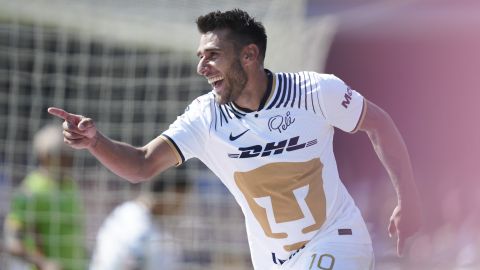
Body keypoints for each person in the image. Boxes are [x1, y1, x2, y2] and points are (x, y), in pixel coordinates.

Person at [47, 9, 422, 270]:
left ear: (249, 55)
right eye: (199, 56)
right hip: (272, 259)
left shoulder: (314, 91)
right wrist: (96, 141)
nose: (201, 67)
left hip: (336, 238)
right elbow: (143, 165)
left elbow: (379, 124)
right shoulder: (205, 116)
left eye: (213, 55)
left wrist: (409, 200)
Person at [3, 124, 87, 270]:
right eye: (64, 154)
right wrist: (43, 263)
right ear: (45, 156)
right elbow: (13, 242)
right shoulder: (31, 190)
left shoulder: (70, 185)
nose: (71, 160)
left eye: (71, 153)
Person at [89, 178, 189, 270]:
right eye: (179, 201)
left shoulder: (138, 216)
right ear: (169, 194)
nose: (180, 209)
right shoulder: (135, 219)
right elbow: (131, 263)